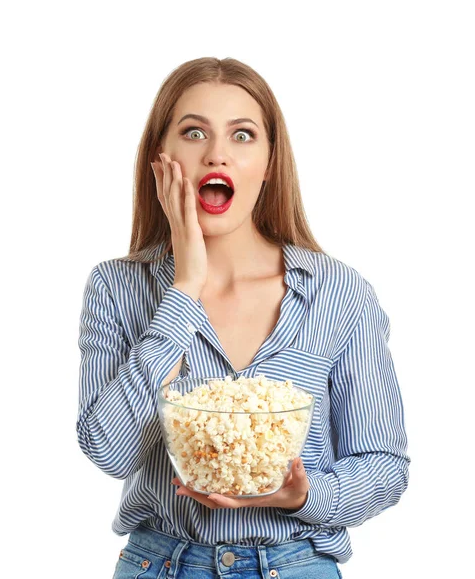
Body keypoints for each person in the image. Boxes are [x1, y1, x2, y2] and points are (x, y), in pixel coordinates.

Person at [76, 56, 410, 578]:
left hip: (297, 564)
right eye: (193, 133)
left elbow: (384, 466)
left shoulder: (338, 293)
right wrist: (184, 287)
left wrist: (300, 496)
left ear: (271, 162)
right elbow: (111, 451)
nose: (217, 156)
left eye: (243, 136)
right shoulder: (117, 288)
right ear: (160, 159)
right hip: (160, 563)